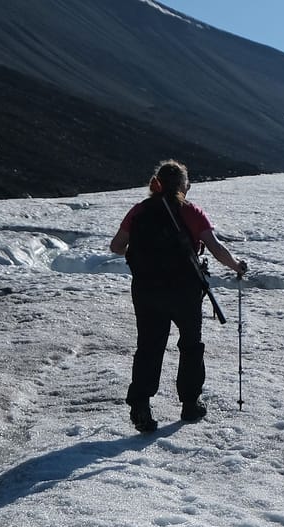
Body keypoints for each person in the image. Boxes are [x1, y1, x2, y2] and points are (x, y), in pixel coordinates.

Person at [109, 160, 247, 432]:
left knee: (149, 347)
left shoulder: (139, 211)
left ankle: (140, 407)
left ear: (156, 182)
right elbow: (215, 248)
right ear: (184, 185)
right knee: (190, 345)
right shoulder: (192, 212)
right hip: (184, 290)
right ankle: (189, 404)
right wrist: (236, 266)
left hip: (147, 290)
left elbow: (116, 247)